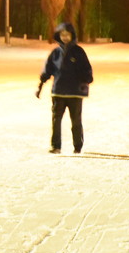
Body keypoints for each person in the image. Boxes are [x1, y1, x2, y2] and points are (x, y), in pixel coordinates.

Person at [36, 21, 93, 154]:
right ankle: (56, 146)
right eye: (62, 35)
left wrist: (85, 80)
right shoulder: (55, 53)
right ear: (59, 36)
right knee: (56, 120)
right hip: (59, 92)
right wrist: (40, 85)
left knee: (76, 121)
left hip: (75, 93)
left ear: (72, 35)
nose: (65, 37)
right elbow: (47, 70)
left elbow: (87, 70)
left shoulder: (79, 52)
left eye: (67, 35)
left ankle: (77, 146)